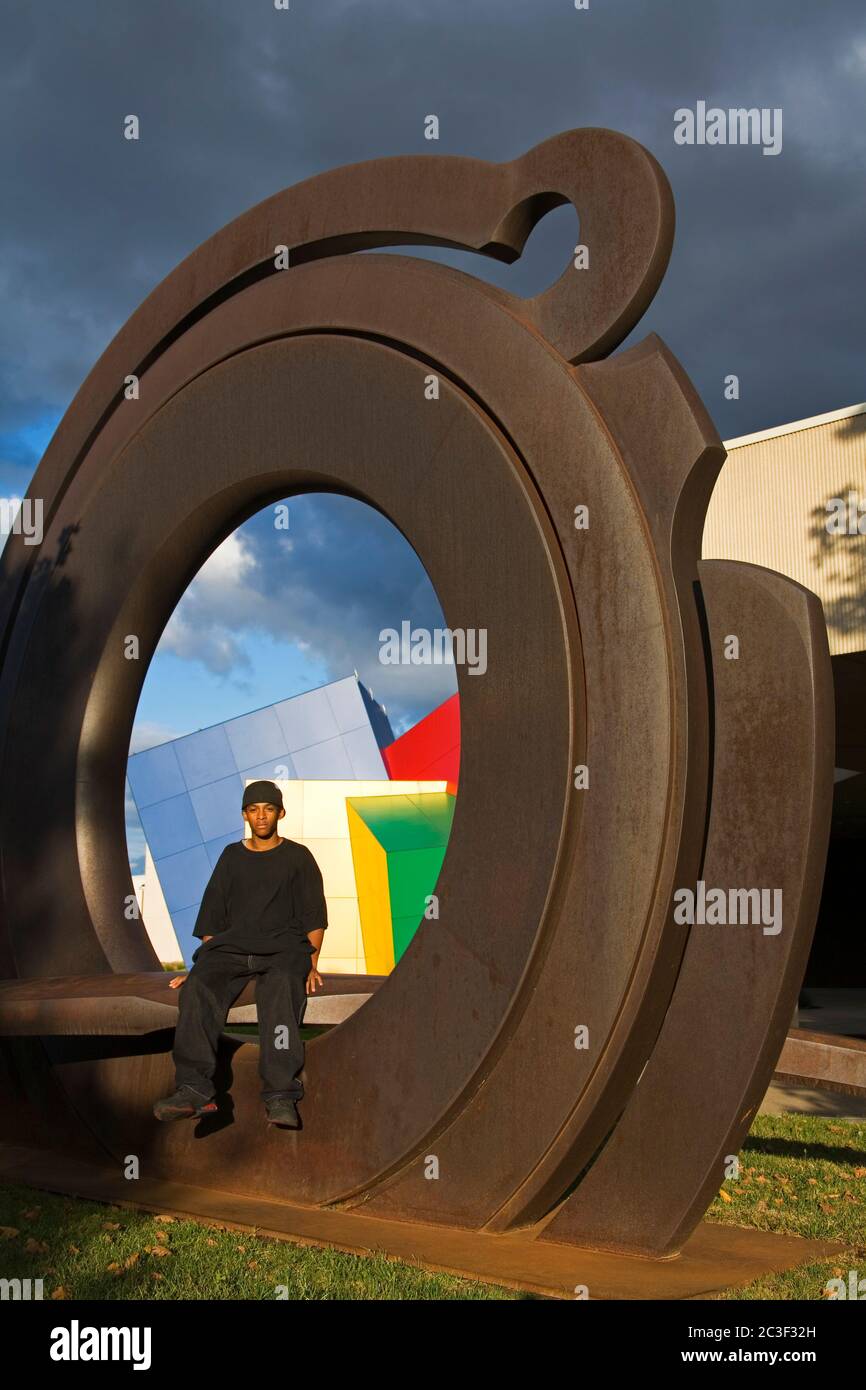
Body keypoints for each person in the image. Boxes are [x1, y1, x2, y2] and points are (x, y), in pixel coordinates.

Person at [153, 779, 328, 1129]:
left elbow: (314, 916)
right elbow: (212, 917)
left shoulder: (298, 857)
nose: (260, 816)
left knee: (279, 988)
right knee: (198, 988)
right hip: (232, 949)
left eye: (267, 809)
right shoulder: (232, 856)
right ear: (244, 815)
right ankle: (195, 1090)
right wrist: (206, 964)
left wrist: (311, 963)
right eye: (253, 809)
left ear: (280, 813)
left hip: (284, 949)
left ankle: (280, 1095)